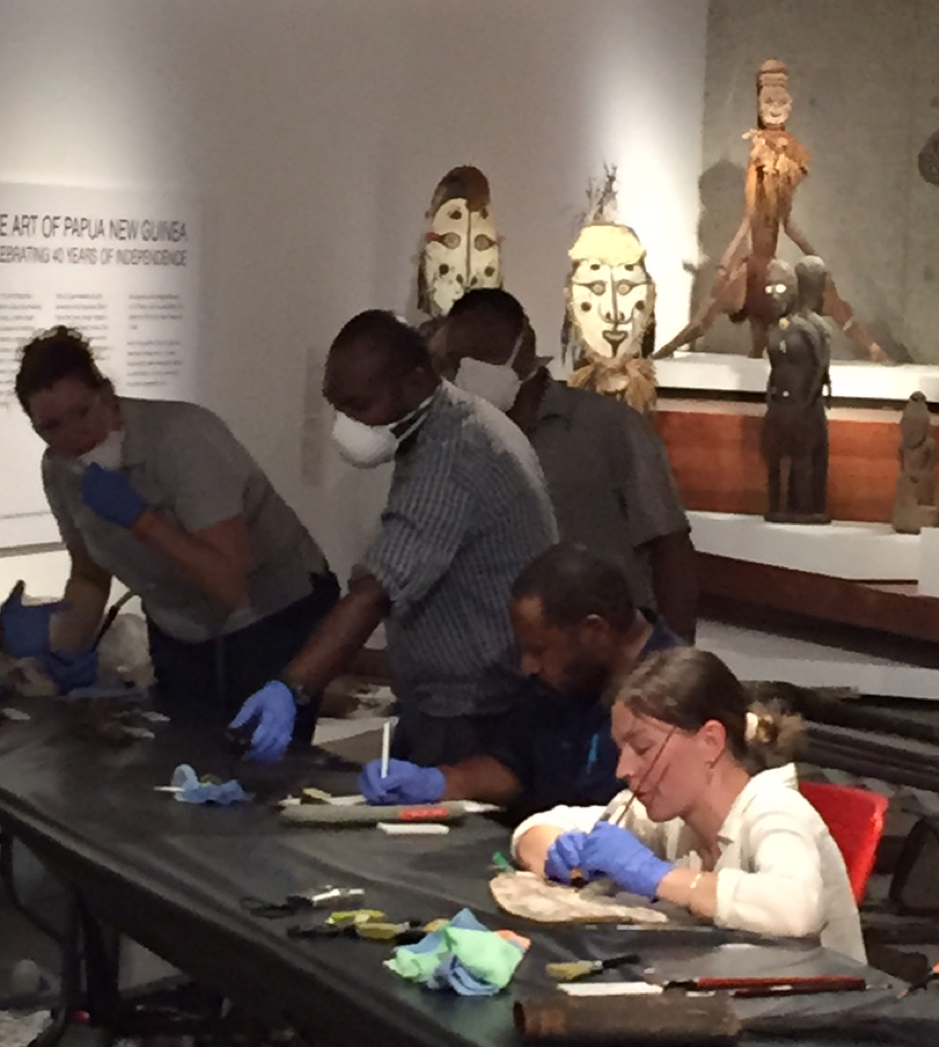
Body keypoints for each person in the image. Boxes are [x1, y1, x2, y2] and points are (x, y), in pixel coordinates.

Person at [230, 310, 557, 764]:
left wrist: (293, 686)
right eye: (337, 405)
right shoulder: (441, 425)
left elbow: (376, 591)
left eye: (360, 406)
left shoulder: (455, 453)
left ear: (416, 383)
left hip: (477, 710)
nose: (346, 425)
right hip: (448, 700)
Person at [14, 326, 339, 744]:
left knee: (257, 765)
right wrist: (62, 653)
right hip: (178, 624)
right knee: (182, 755)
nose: (73, 436)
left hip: (270, 614)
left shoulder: (183, 439)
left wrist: (141, 519)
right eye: (51, 426)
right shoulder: (60, 469)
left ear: (107, 394)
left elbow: (227, 583)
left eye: (83, 412)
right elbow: (89, 573)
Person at [512, 647, 865, 963]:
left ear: (710, 741)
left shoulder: (774, 809)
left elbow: (795, 909)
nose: (624, 770)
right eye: (622, 750)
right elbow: (537, 827)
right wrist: (558, 852)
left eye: (644, 749)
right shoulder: (671, 819)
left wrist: (659, 877)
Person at [442, 288, 697, 642]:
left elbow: (669, 545)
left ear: (525, 344)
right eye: (459, 360)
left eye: (484, 354)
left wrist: (676, 658)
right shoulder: (458, 442)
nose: (471, 371)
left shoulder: (609, 427)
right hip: (505, 651)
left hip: (604, 649)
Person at [358, 543, 684, 813]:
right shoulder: (564, 683)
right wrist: (441, 782)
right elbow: (513, 764)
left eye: (539, 650)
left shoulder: (680, 698)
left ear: (594, 631)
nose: (528, 667)